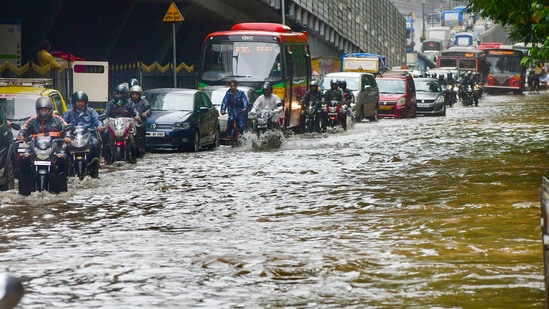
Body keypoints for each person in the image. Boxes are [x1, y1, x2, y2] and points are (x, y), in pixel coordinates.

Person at [16, 97, 71, 191]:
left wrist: (67, 136)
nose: (44, 112)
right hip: (35, 148)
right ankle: (25, 182)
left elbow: (66, 128)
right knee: (23, 158)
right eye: (41, 109)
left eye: (46, 109)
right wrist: (21, 135)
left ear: (50, 110)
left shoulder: (58, 120)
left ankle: (63, 178)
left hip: (54, 147)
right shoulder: (32, 121)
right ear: (38, 110)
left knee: (63, 157)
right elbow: (23, 129)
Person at [62, 91, 104, 178]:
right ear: (74, 102)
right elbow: (63, 123)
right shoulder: (68, 113)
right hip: (72, 137)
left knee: (96, 143)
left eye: (82, 102)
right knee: (63, 148)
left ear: (85, 102)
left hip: (88, 135)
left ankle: (94, 164)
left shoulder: (91, 111)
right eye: (78, 102)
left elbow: (96, 120)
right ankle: (67, 166)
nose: (80, 104)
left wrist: (99, 126)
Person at [103, 83, 141, 164]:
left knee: (134, 135)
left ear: (125, 95)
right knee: (105, 134)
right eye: (117, 94)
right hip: (113, 125)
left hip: (126, 125)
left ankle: (134, 157)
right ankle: (107, 158)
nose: (118, 96)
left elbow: (135, 112)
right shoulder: (110, 103)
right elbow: (106, 112)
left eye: (120, 94)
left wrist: (137, 116)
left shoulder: (129, 103)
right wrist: (103, 115)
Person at [129, 85, 151, 157]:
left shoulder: (143, 101)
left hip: (139, 121)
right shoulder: (127, 102)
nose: (135, 96)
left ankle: (141, 147)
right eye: (133, 94)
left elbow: (148, 109)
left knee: (141, 129)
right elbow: (119, 106)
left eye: (136, 94)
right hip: (128, 121)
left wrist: (145, 113)